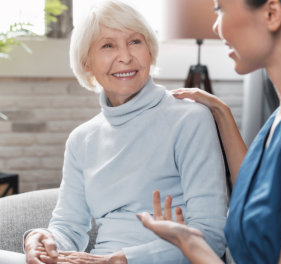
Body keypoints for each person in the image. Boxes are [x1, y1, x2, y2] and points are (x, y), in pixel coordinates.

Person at [0, 0, 228, 263]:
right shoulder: (82, 139)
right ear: (87, 63)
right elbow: (68, 227)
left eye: (135, 41)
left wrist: (121, 259)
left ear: (150, 50)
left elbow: (212, 237)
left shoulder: (190, 119)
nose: (125, 56)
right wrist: (41, 239)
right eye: (108, 45)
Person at [138, 0, 281, 263]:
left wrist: (189, 244)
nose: (216, 27)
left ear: (271, 13)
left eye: (220, 10)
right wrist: (221, 111)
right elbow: (258, 199)